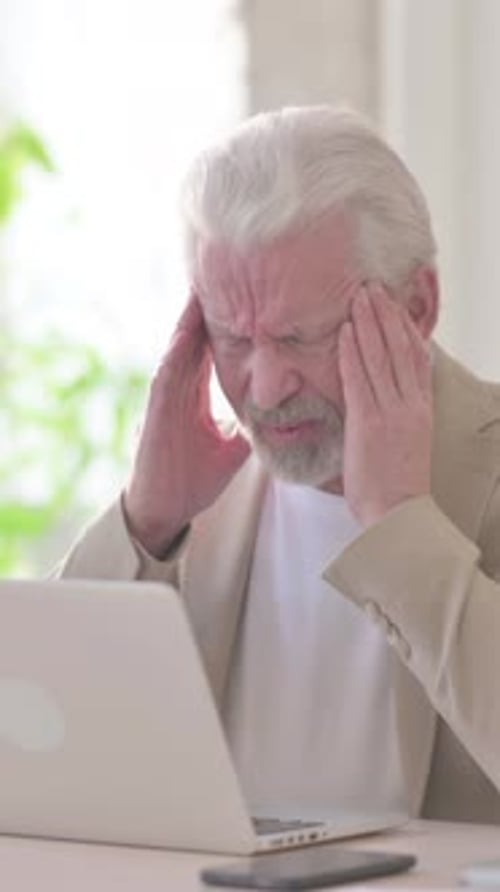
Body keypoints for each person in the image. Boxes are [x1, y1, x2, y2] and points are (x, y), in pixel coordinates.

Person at [59, 106, 500, 823]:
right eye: (233, 338)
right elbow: (51, 748)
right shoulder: (194, 496)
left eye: (299, 337)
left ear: (418, 307)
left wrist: (399, 521)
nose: (264, 390)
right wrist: (146, 522)